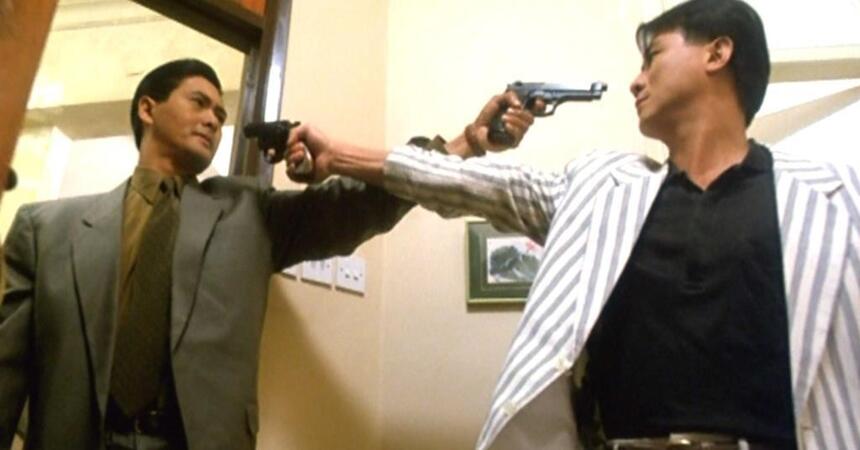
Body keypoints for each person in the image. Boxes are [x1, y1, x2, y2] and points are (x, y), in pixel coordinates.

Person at [283, 0, 860, 449]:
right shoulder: (599, 188)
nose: (635, 81)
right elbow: (462, 183)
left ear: (718, 53)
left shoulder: (838, 197)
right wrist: (340, 156)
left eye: (652, 57)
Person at [0, 58, 508, 450]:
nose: (212, 119)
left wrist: (466, 143)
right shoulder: (46, 229)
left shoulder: (248, 212)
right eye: (199, 103)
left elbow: (362, 204)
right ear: (147, 109)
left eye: (220, 114)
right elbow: (6, 368)